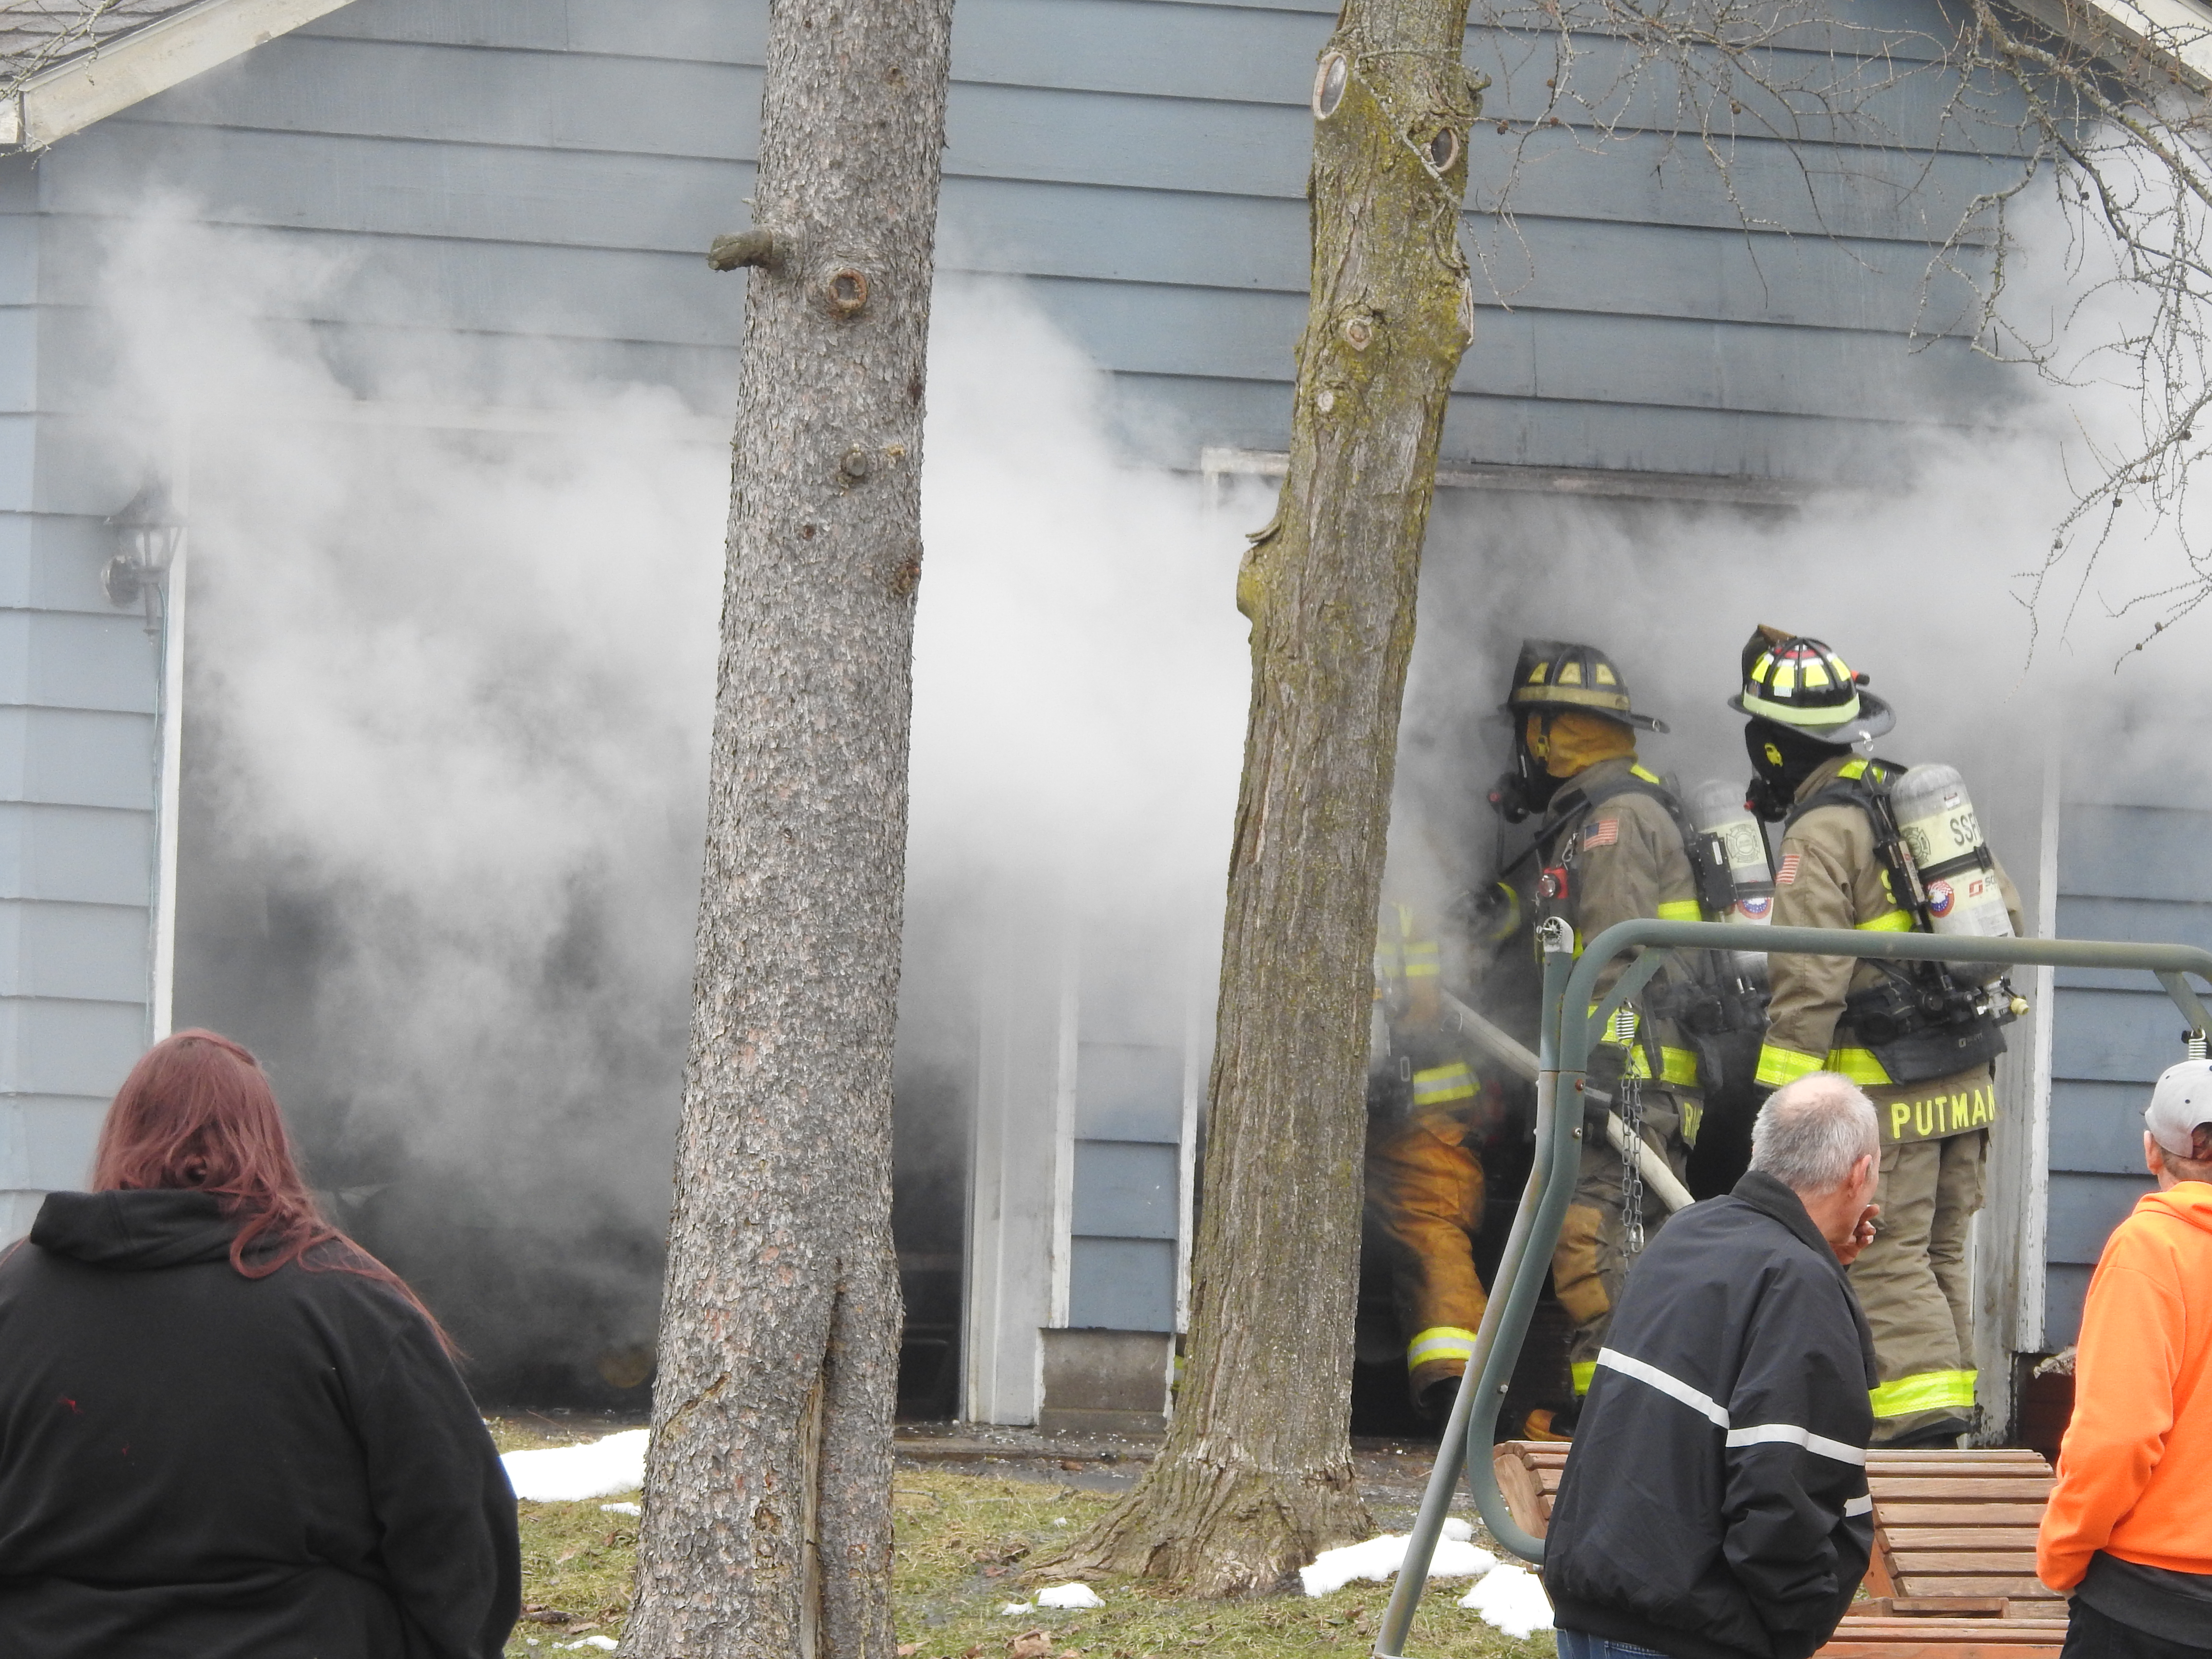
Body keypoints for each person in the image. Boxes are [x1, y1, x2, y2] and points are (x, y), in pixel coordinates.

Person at [0, 1029, 521, 1658]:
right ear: (267, 1140)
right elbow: (460, 1527)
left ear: (120, 1135)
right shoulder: (347, 1299)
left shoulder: (14, 1296)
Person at [1733, 625, 2022, 1447]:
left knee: (1887, 1257)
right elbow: (2013, 920)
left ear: (1775, 744)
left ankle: (1914, 1436)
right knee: (1937, 1257)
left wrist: (1779, 1099)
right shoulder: (1915, 803)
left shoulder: (1819, 832)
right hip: (1965, 1083)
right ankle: (1949, 1421)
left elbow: (1808, 974)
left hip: (1886, 1096)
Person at [1543, 1072, 1883, 1659]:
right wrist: (1795, 1628)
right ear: (1860, 1175)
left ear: (1760, 1153)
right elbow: (1781, 1493)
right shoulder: (1799, 1285)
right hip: (1691, 1633)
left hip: (1592, 1617)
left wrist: (1820, 1260)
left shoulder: (1688, 1232)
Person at [1491, 637, 1707, 1437]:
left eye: (1533, 731)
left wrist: (1597, 1072)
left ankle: (1620, 1416)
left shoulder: (1613, 822)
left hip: (1627, 1074)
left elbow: (1613, 959)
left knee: (1592, 1236)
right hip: (1641, 1073)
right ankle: (1620, 1408)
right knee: (1626, 1241)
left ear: (1552, 731)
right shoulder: (1613, 808)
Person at [2037, 1058, 2212, 1658]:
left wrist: (2063, 1552)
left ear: (2152, 1153)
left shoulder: (2150, 1250)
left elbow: (2120, 1435)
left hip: (2152, 1603)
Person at [1365, 898, 1498, 1414]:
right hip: (1425, 1111)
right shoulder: (1420, 894)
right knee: (1432, 1235)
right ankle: (1458, 1392)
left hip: (1405, 1110)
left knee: (1431, 1232)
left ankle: (1457, 1386)